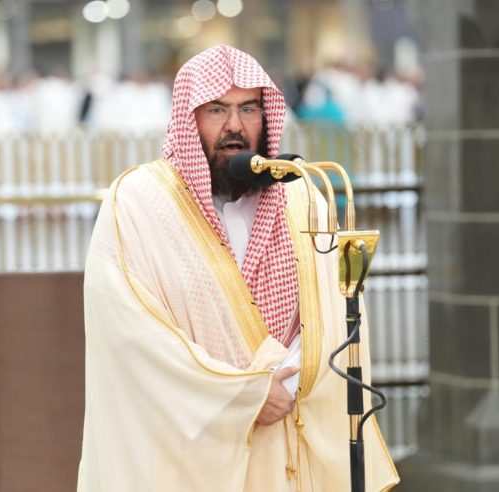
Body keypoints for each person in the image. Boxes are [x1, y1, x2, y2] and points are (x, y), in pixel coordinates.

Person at [77, 45, 398, 491]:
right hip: (192, 449)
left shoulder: (301, 196)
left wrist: (288, 377)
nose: (235, 126)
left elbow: (333, 311)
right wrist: (243, 395)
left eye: (249, 108)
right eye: (217, 110)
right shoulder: (138, 202)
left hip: (289, 427)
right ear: (189, 120)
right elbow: (131, 334)